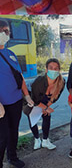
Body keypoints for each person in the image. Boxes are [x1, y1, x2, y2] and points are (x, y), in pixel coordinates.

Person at [0, 19, 32, 168]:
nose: (7, 35)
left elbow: (20, 77)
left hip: (15, 101)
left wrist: (26, 95)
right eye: (4, 31)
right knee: (2, 136)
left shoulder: (10, 53)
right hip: (1, 106)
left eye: (8, 32)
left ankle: (12, 157)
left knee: (13, 131)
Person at [26, 58, 62, 151]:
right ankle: (37, 139)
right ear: (46, 70)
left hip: (45, 101)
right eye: (51, 68)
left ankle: (45, 140)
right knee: (33, 119)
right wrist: (44, 107)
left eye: (56, 68)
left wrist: (47, 107)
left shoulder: (61, 82)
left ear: (59, 70)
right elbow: (34, 100)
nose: (53, 70)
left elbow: (55, 97)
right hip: (32, 101)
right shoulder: (39, 81)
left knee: (47, 116)